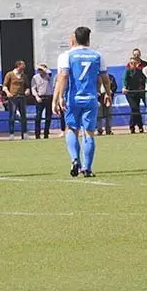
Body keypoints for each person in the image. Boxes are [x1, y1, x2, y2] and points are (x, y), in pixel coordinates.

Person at [54, 27, 104, 178]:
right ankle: (87, 169)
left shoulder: (66, 55)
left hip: (72, 99)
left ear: (74, 38)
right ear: (89, 39)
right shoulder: (97, 55)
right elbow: (104, 78)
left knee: (71, 129)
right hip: (90, 98)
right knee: (89, 133)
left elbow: (63, 77)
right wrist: (107, 93)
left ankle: (75, 159)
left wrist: (59, 98)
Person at [1, 60, 28, 140]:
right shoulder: (10, 74)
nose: (24, 66)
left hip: (22, 97)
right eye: (23, 65)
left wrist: (27, 90)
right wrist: (7, 93)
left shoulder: (24, 76)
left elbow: (27, 86)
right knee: (12, 115)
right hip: (13, 97)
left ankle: (24, 133)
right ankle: (12, 133)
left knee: (23, 115)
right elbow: (4, 85)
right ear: (18, 66)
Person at [121, 56, 143, 134]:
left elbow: (145, 79)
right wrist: (124, 87)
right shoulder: (127, 71)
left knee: (136, 109)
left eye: (134, 63)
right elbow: (124, 79)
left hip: (137, 92)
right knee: (134, 108)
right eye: (131, 63)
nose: (132, 64)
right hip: (129, 93)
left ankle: (135, 126)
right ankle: (138, 126)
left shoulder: (139, 71)